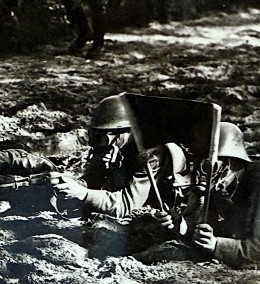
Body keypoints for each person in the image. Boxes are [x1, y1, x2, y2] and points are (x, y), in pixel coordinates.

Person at [153, 122, 260, 267]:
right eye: (197, 162)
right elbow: (215, 229)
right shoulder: (220, 182)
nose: (200, 171)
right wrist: (183, 227)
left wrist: (216, 245)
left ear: (232, 162)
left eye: (207, 164)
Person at [50, 94, 190, 219]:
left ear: (123, 132)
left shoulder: (151, 154)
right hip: (127, 190)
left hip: (163, 202)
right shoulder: (110, 143)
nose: (98, 141)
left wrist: (84, 194)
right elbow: (92, 179)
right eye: (95, 134)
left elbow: (126, 207)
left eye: (103, 136)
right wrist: (68, 183)